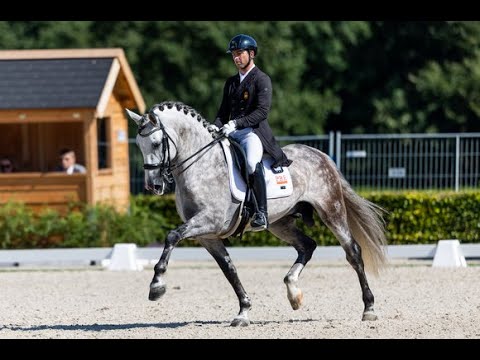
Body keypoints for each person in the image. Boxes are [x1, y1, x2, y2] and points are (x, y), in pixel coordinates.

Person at [211, 34, 292, 231]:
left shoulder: (261, 79)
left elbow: (262, 112)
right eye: (234, 55)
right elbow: (223, 112)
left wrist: (236, 124)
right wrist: (215, 126)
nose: (236, 58)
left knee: (250, 162)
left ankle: (261, 213)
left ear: (251, 54)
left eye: (240, 54)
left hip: (252, 133)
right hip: (231, 132)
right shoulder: (231, 83)